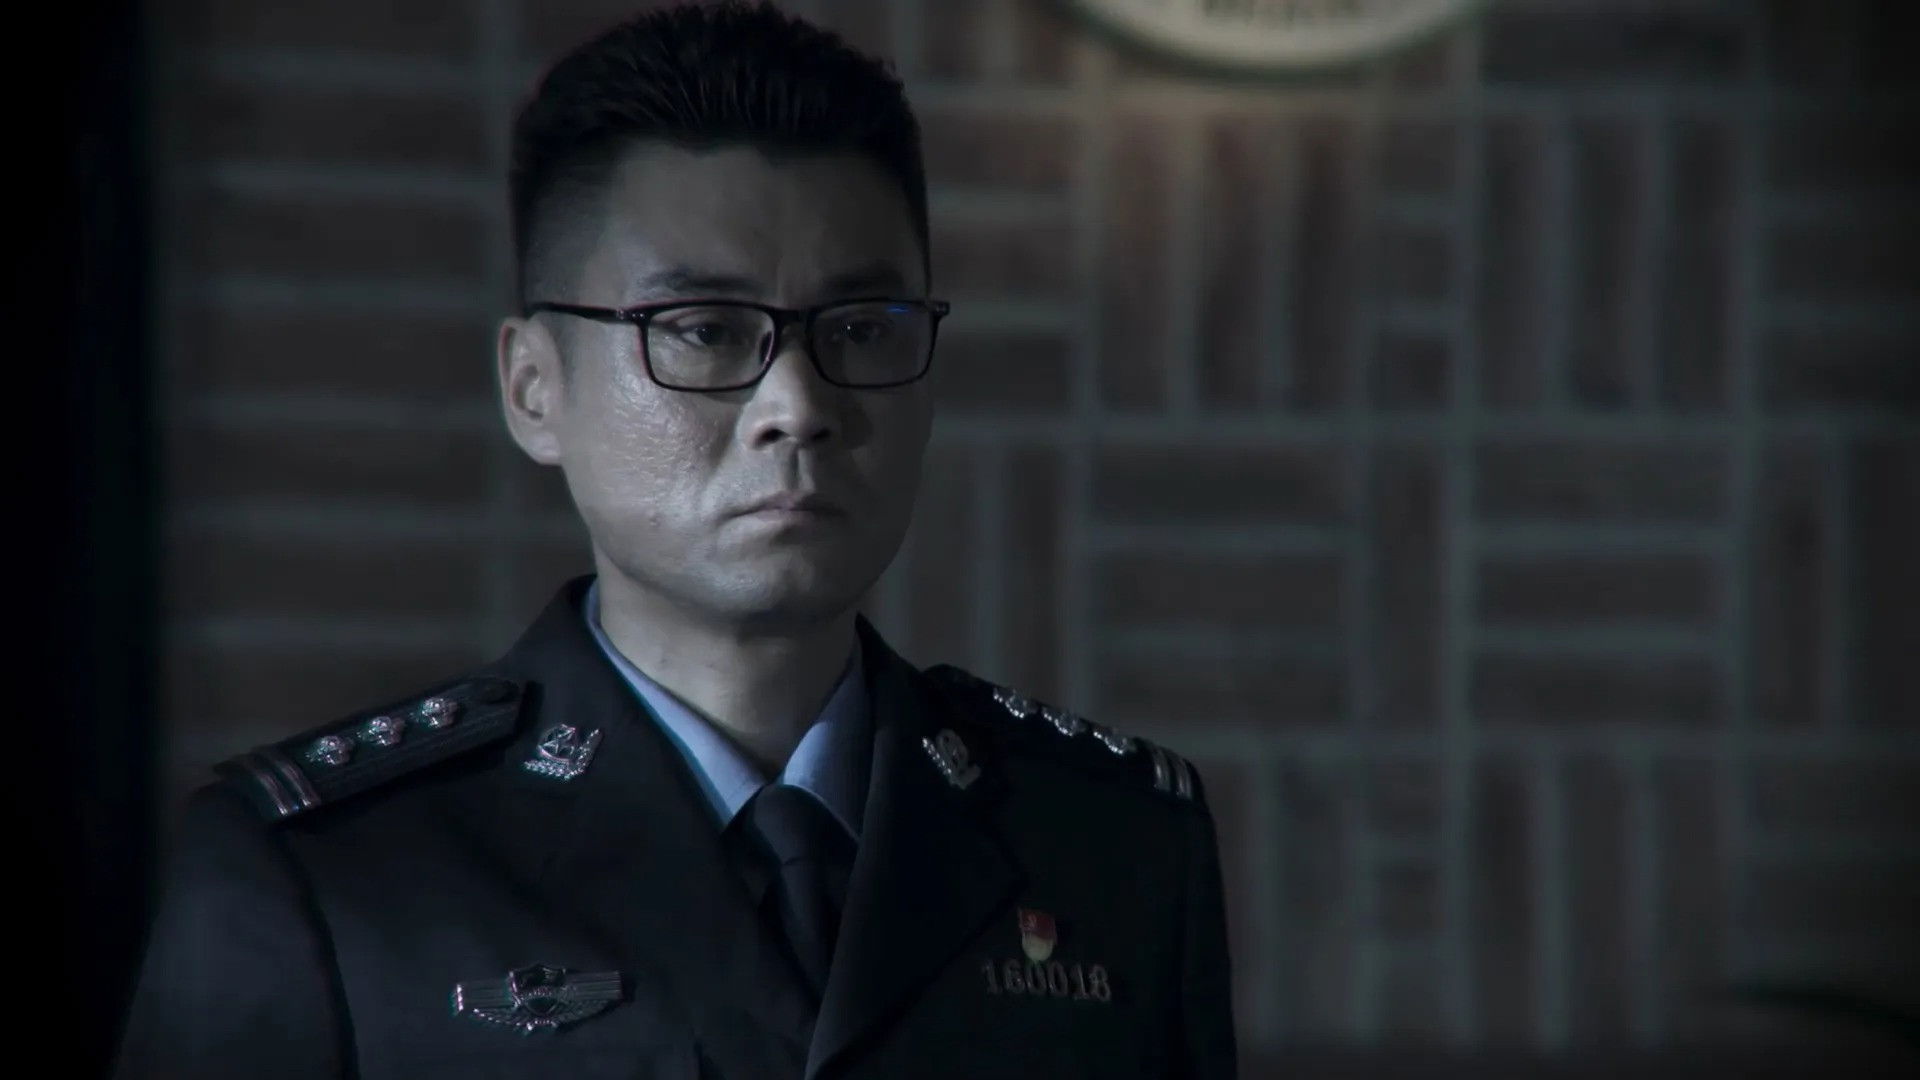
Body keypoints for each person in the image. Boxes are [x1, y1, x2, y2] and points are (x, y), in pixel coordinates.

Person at [113, 3, 1236, 1077]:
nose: (798, 404)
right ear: (535, 388)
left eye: (859, 328)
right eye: (701, 330)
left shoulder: (1112, 844)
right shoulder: (334, 867)